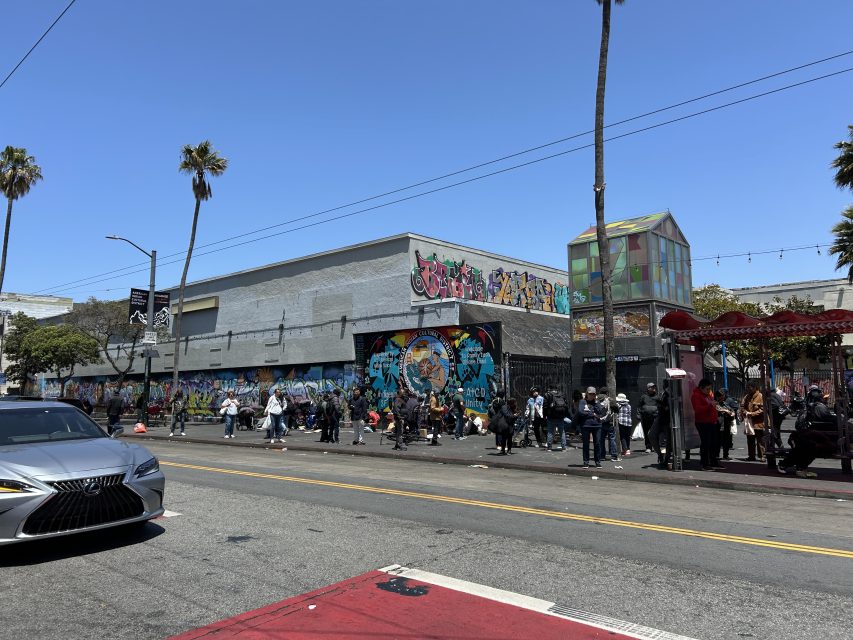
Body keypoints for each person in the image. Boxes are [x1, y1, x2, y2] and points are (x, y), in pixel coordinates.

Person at [691, 378, 722, 471]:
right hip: (703, 422)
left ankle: (713, 461)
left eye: (710, 389)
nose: (709, 391)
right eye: (707, 389)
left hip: (711, 422)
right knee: (706, 443)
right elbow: (697, 409)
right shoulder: (696, 396)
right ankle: (704, 463)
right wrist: (710, 405)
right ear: (701, 388)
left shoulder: (707, 395)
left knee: (714, 443)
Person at [576, 386, 604, 469]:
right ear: (587, 393)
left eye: (593, 394)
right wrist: (593, 414)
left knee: (597, 444)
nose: (592, 395)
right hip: (586, 425)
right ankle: (586, 462)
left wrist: (594, 404)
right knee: (586, 444)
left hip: (597, 425)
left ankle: (598, 461)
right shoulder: (582, 402)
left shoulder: (597, 402)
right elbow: (581, 412)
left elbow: (600, 412)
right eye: (590, 394)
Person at [742, 383, 766, 461]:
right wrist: (744, 412)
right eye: (748, 387)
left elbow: (763, 409)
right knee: (750, 440)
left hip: (758, 422)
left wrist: (752, 414)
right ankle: (751, 456)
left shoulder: (760, 396)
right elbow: (742, 406)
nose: (749, 389)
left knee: (760, 440)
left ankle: (762, 456)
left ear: (755, 387)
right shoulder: (747, 396)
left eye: (750, 387)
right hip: (749, 422)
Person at [543, 384, 568, 452]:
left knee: (550, 432)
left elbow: (545, 407)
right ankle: (563, 447)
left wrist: (544, 415)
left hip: (551, 416)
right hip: (560, 416)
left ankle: (549, 447)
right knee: (562, 432)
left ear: (550, 388)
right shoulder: (561, 394)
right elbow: (566, 404)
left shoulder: (547, 395)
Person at [597, 387, 619, 461]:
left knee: (601, 439)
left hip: (600, 422)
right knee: (612, 438)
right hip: (610, 422)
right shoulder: (610, 400)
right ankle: (614, 455)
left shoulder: (597, 400)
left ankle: (602, 456)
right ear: (607, 393)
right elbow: (616, 409)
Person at [489, 390, 515, 455]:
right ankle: (503, 448)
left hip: (505, 422)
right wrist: (514, 416)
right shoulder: (503, 405)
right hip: (504, 423)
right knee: (505, 436)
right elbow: (507, 415)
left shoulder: (496, 400)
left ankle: (505, 449)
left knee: (506, 437)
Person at [715, 390, 735, 461]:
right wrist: (726, 411)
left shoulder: (725, 404)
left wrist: (730, 413)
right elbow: (718, 410)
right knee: (717, 441)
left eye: (723, 396)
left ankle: (726, 455)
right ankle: (716, 455)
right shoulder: (715, 404)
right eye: (721, 396)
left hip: (726, 424)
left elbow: (732, 411)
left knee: (726, 440)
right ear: (717, 397)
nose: (722, 397)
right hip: (718, 425)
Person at [638, 383, 659, 453]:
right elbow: (639, 406)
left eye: (654, 387)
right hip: (645, 418)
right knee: (647, 433)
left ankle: (656, 447)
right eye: (652, 387)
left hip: (655, 418)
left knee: (655, 433)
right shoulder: (643, 397)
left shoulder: (657, 397)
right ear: (648, 388)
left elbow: (660, 406)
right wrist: (638, 415)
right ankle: (648, 447)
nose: (654, 389)